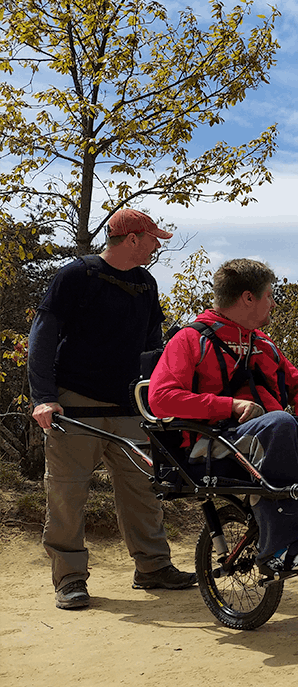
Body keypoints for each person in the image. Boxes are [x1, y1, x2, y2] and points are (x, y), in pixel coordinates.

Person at [29, 208, 197, 610]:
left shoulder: (146, 284)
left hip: (129, 405)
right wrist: (43, 397)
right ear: (133, 239)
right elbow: (43, 334)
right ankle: (69, 578)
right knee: (68, 493)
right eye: (153, 238)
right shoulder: (76, 276)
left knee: (143, 489)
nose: (158, 245)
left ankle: (153, 567)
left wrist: (165, 377)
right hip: (75, 404)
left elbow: (151, 349)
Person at [149, 258, 298, 574]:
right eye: (269, 296)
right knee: (279, 423)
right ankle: (284, 548)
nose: (273, 303)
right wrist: (228, 406)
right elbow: (160, 398)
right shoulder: (189, 339)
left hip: (274, 437)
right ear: (248, 297)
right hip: (215, 443)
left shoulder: (262, 342)